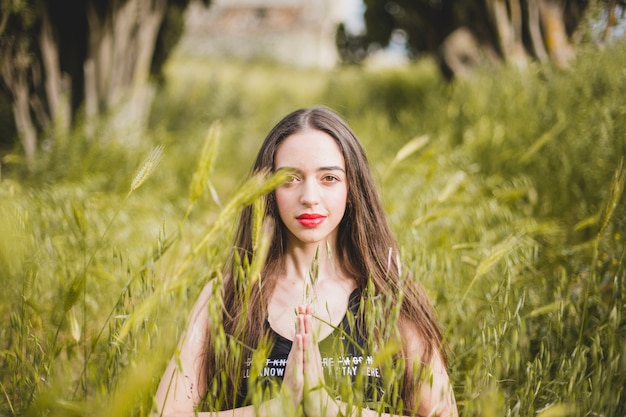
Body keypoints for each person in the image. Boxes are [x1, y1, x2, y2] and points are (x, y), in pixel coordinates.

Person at [155, 106, 458, 416]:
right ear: (268, 190)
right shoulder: (230, 294)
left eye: (329, 178)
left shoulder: (390, 291)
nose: (309, 196)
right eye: (290, 179)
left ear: (351, 188)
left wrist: (329, 409)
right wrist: (276, 410)